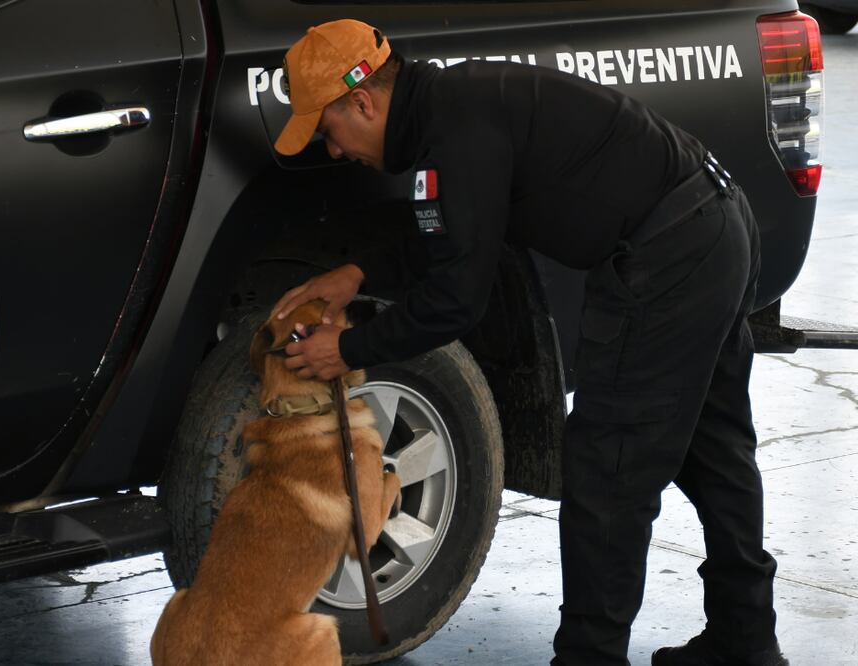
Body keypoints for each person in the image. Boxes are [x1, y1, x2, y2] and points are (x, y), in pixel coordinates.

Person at [272, 18, 789, 666]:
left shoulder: (454, 130)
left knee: (607, 472)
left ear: (362, 101)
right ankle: (745, 639)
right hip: (716, 221)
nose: (333, 150)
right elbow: (454, 234)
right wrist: (360, 274)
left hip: (669, 255)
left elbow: (455, 302)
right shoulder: (453, 110)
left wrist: (347, 351)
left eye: (328, 130)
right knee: (716, 449)